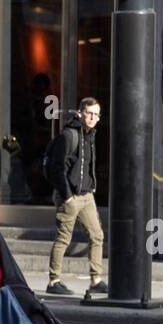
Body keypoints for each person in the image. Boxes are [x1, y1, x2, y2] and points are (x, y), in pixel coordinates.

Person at [46, 97, 107, 297]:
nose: (93, 117)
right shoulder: (69, 135)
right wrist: (67, 196)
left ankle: (96, 279)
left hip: (87, 195)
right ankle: (54, 281)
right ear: (80, 113)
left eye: (96, 114)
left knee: (97, 235)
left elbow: (87, 164)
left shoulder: (90, 134)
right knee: (64, 238)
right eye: (89, 113)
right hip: (70, 197)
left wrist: (92, 186)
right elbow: (56, 168)